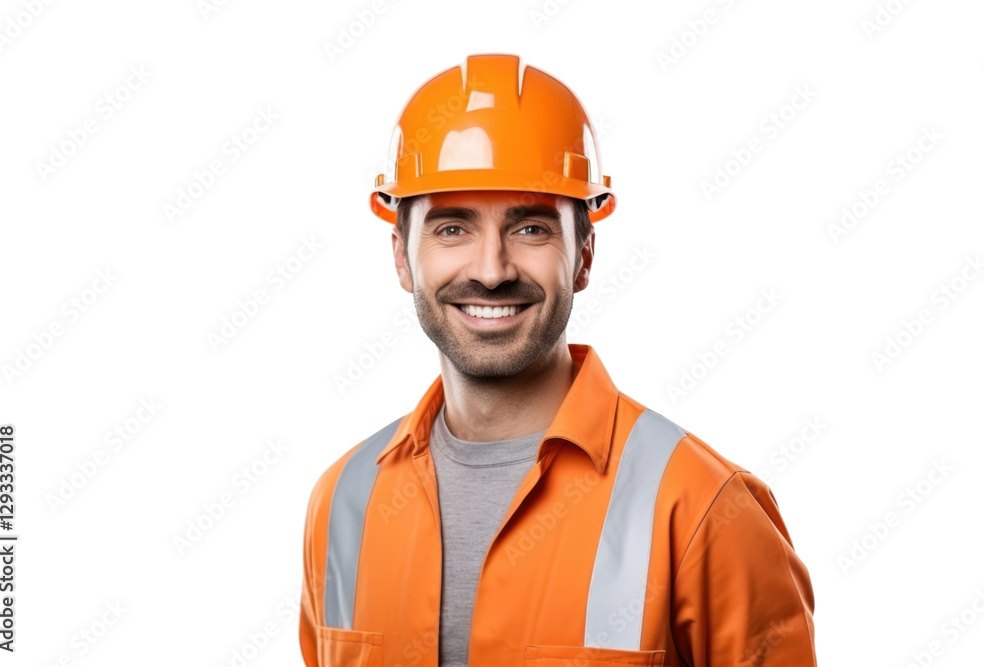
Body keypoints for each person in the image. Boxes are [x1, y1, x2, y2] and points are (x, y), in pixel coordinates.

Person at [299, 53, 817, 667]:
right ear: (401, 258)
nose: (491, 271)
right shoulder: (343, 502)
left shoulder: (703, 507)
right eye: (451, 229)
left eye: (531, 229)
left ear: (585, 256)